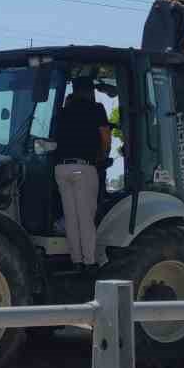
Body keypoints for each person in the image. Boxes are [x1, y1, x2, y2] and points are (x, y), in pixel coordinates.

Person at [50, 77, 111, 269]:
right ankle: (89, 262)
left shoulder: (61, 112)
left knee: (71, 217)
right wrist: (102, 156)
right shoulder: (97, 109)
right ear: (90, 91)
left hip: (61, 169)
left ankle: (76, 260)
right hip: (83, 168)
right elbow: (105, 138)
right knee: (85, 218)